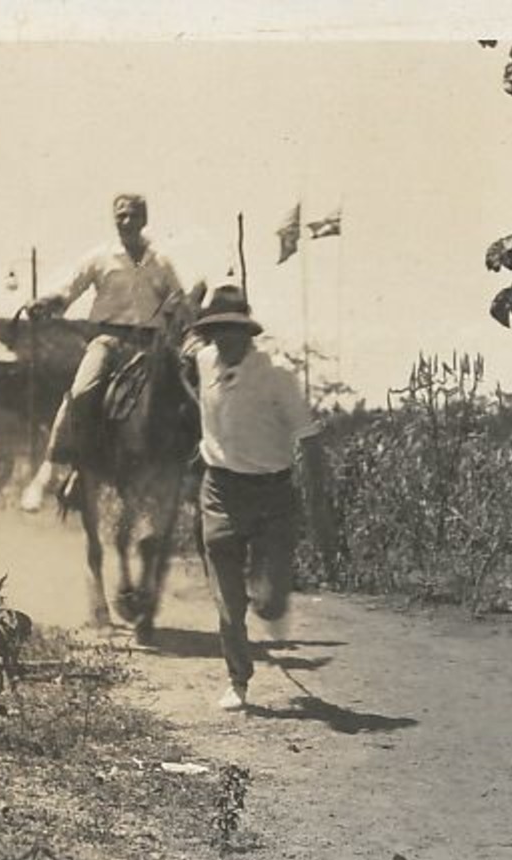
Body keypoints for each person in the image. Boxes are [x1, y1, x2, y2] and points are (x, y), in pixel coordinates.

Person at [186, 284, 333, 712]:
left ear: (249, 333)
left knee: (268, 604)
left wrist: (320, 500)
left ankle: (272, 597)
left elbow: (309, 440)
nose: (225, 339)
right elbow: (184, 347)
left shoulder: (278, 378)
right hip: (218, 490)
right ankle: (239, 681)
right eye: (217, 330)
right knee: (228, 602)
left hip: (272, 494)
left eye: (234, 330)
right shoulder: (201, 360)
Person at [19, 192, 187, 513]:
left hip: (151, 347)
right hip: (109, 342)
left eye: (133, 216)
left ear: (144, 220)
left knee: (188, 398)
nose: (127, 222)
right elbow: (68, 291)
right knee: (81, 393)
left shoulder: (162, 262)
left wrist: (181, 315)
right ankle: (51, 471)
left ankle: (191, 472)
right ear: (114, 220)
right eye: (121, 216)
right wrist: (45, 302)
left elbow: (177, 301)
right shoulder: (100, 258)